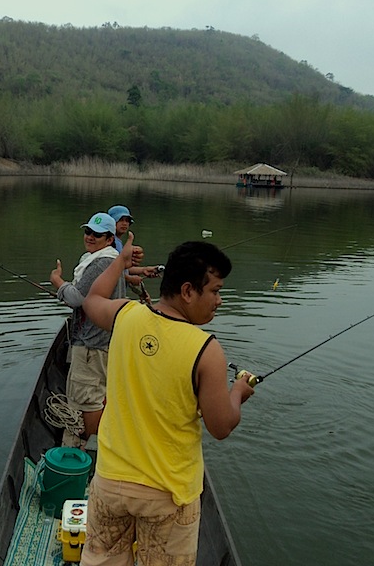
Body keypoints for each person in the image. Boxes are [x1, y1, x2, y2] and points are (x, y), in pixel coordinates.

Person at [80, 234, 256, 566]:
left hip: (110, 482)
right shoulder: (207, 351)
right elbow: (220, 426)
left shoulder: (126, 315)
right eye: (215, 291)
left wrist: (120, 261)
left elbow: (92, 298)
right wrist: (239, 392)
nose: (219, 300)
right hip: (168, 495)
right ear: (188, 291)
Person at [49, 212, 127, 440]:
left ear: (110, 239)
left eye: (98, 234)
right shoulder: (110, 260)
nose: (90, 237)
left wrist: (58, 283)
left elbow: (77, 298)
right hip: (100, 341)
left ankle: (89, 445)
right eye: (88, 232)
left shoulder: (101, 263)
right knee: (95, 393)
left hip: (92, 345)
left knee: (87, 399)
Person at [107, 205, 160, 298]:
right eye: (120, 220)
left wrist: (144, 270)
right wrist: (130, 279)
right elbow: (109, 269)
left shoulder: (118, 243)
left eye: (127, 220)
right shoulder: (110, 242)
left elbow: (123, 269)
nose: (124, 223)